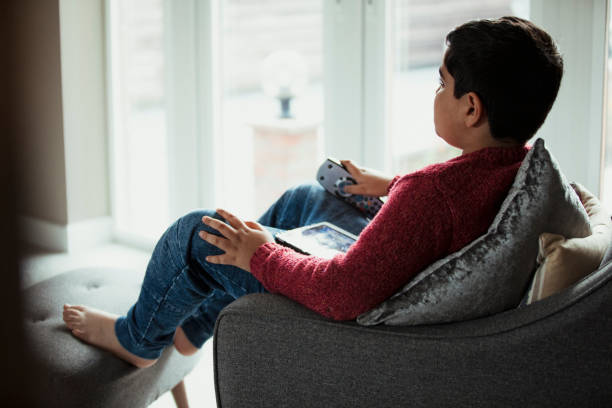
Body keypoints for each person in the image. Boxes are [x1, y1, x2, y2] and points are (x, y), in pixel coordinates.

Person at [63, 16, 563, 368]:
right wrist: (389, 188)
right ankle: (196, 329)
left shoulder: (432, 194)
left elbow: (341, 293)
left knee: (202, 232)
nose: (435, 92)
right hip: (388, 275)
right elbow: (444, 218)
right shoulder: (514, 168)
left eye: (441, 82)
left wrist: (258, 256)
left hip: (345, 308)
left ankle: (136, 340)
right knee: (305, 198)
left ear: (471, 108)